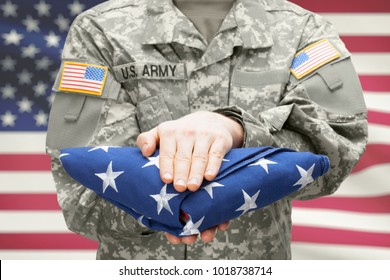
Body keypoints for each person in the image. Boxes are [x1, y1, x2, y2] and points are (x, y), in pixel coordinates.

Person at [46, 0, 368, 259]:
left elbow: (339, 145)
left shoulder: (302, 31)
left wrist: (238, 129)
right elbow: (83, 194)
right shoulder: (101, 32)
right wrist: (183, 207)